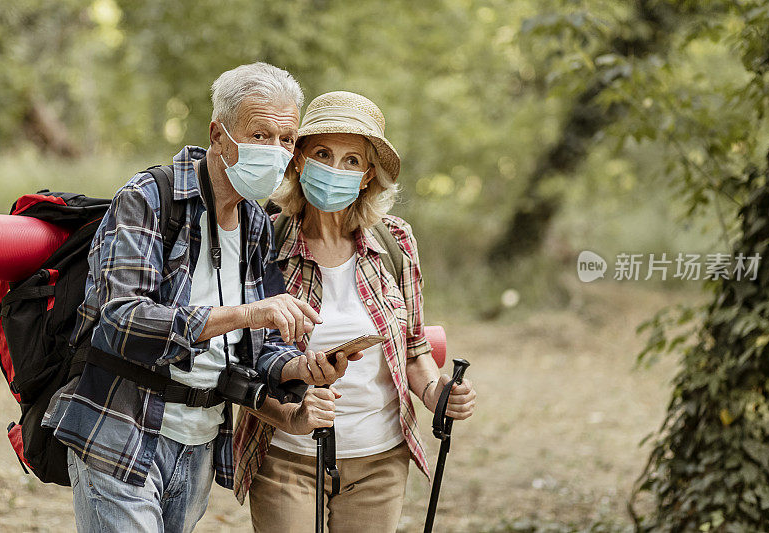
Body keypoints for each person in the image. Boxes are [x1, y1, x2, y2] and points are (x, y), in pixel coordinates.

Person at [41, 63, 360, 533]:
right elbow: (121, 319)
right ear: (218, 133)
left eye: (286, 140)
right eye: (259, 134)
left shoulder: (254, 223)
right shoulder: (149, 197)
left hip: (201, 441)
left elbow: (262, 345)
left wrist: (300, 368)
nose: (274, 151)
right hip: (122, 429)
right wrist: (244, 313)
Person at [233, 91, 477, 532]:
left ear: (367, 176)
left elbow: (415, 350)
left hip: (379, 459)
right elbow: (241, 364)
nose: (335, 170)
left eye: (351, 161)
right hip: (288, 454)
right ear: (299, 160)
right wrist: (292, 416)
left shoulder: (396, 243)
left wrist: (438, 394)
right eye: (323, 154)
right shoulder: (261, 242)